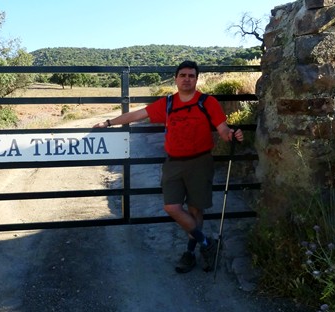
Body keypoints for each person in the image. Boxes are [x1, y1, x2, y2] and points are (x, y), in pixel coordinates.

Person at [94, 61, 243, 274]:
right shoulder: (168, 103)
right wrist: (108, 122)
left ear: (196, 78)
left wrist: (232, 135)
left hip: (200, 162)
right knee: (171, 207)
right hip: (173, 163)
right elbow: (137, 115)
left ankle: (190, 253)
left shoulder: (207, 102)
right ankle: (207, 244)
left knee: (195, 210)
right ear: (176, 78)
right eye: (182, 75)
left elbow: (222, 129)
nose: (186, 79)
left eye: (191, 75)